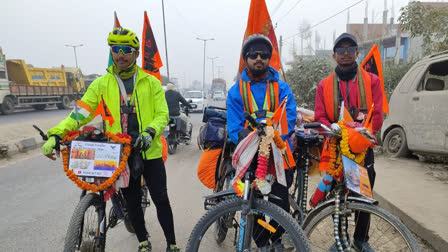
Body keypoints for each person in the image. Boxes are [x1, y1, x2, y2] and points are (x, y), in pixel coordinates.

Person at [41, 27, 180, 252]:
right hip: (120, 151)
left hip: (149, 150)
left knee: (161, 199)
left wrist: (150, 132)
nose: (121, 54)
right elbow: (80, 113)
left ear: (136, 54)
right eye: (116, 49)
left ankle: (172, 244)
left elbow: (162, 114)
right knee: (132, 201)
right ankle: (143, 242)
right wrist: (56, 133)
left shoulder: (151, 82)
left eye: (126, 50)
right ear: (111, 52)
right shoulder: (101, 84)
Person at [226, 34, 297, 251]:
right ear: (245, 58)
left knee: (279, 201)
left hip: (279, 154)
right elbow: (235, 127)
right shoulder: (236, 91)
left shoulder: (282, 88)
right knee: (252, 202)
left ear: (269, 58)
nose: (259, 58)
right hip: (250, 156)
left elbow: (289, 118)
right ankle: (262, 243)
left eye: (264, 55)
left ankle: (276, 239)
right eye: (253, 55)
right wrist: (253, 139)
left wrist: (272, 138)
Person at [314, 32, 384, 252]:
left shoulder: (372, 81)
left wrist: (362, 135)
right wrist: (332, 129)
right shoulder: (324, 86)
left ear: (357, 52)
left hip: (363, 149)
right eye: (340, 50)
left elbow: (378, 115)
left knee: (364, 194)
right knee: (338, 194)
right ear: (334, 55)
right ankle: (340, 237)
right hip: (336, 150)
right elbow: (320, 117)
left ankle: (361, 239)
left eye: (350, 49)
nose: (345, 54)